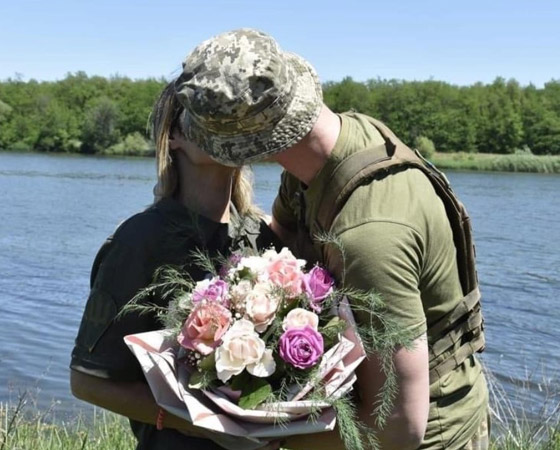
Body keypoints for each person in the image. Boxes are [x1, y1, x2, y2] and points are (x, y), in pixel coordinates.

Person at [173, 28, 489, 450]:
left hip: (430, 436)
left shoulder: (370, 236)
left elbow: (399, 427)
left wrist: (256, 435)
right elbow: (283, 240)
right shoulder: (326, 151)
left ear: (248, 148)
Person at [70, 80, 281, 450]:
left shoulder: (262, 237)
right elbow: (89, 382)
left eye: (235, 113)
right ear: (174, 136)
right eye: (207, 111)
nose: (226, 121)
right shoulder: (141, 240)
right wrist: (197, 423)